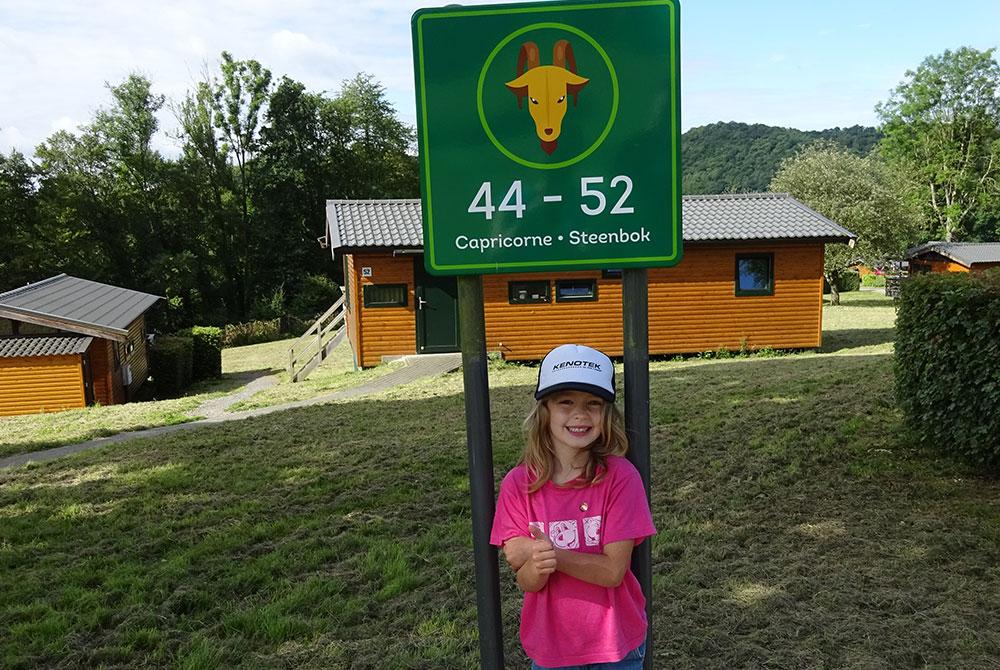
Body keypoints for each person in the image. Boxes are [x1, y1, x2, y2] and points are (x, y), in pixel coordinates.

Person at [490, 344, 656, 669]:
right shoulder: (517, 485)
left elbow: (612, 571)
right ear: (545, 410)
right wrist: (535, 564)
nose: (580, 414)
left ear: (606, 414)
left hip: (615, 646)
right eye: (566, 402)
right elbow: (524, 578)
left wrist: (550, 553)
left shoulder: (620, 477)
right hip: (552, 649)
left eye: (593, 403)